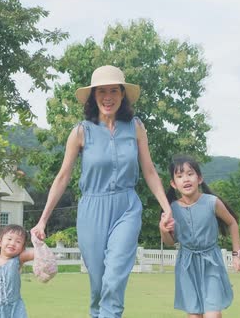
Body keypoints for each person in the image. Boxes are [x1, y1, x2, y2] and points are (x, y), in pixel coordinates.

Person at [31, 65, 174, 318]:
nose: (108, 97)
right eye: (102, 91)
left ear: (122, 95)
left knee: (115, 274)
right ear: (93, 96)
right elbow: (63, 176)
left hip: (127, 206)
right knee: (98, 283)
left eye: (114, 91)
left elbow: (150, 171)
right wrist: (42, 220)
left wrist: (167, 207)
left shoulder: (136, 127)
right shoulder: (80, 132)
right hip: (92, 210)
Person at [159, 155, 240, 318]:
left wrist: (237, 255)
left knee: (213, 314)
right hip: (186, 266)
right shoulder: (171, 209)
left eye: (190, 173)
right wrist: (163, 229)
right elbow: (170, 242)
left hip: (211, 262)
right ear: (173, 184)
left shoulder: (212, 202)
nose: (186, 179)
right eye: (179, 176)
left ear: (199, 178)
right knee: (194, 316)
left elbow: (232, 223)